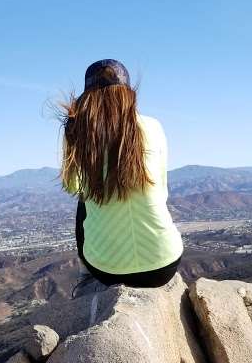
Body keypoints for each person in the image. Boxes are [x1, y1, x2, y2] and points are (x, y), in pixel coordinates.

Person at [58, 59, 184, 289]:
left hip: (107, 270)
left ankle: (87, 270)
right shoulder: (153, 127)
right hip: (163, 264)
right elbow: (161, 186)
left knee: (84, 201)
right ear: (128, 93)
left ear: (87, 98)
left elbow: (74, 187)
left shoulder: (79, 134)